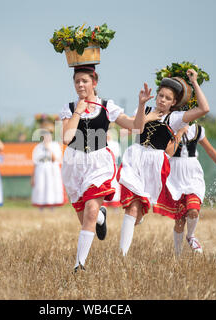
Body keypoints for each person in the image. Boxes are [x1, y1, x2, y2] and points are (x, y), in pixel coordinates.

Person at [118, 69, 210, 257]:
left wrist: (195, 83)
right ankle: (122, 256)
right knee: (131, 208)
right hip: (136, 157)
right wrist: (142, 106)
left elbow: (204, 109)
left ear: (174, 102)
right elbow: (135, 129)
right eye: (160, 95)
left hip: (154, 164)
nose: (162, 100)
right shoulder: (144, 110)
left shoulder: (175, 119)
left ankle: (141, 216)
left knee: (138, 212)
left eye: (167, 98)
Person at [60, 64, 140, 272]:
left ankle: (79, 264)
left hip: (98, 163)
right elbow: (67, 138)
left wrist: (141, 105)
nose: (80, 85)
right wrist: (78, 110)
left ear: (94, 82)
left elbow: (135, 127)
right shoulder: (68, 108)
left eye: (84, 80)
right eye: (77, 81)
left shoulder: (107, 106)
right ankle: (101, 217)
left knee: (91, 210)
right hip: (74, 164)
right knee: (86, 217)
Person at [156, 123, 216, 256]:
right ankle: (178, 254)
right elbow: (166, 152)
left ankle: (191, 235)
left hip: (193, 173)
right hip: (174, 174)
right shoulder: (169, 126)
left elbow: (211, 150)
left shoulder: (197, 129)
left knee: (193, 210)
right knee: (180, 220)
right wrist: (180, 132)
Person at [31, 129, 65, 209]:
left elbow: (54, 159)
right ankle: (41, 207)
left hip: (51, 169)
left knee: (51, 187)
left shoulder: (55, 145)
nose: (47, 137)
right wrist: (32, 177)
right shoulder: (38, 147)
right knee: (41, 187)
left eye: (48, 135)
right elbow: (35, 162)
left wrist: (48, 148)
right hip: (41, 170)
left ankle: (51, 207)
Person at [103, 129, 122, 210]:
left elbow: (117, 156)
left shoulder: (115, 144)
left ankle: (115, 205)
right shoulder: (101, 143)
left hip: (112, 167)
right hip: (103, 168)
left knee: (114, 184)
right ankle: (104, 204)